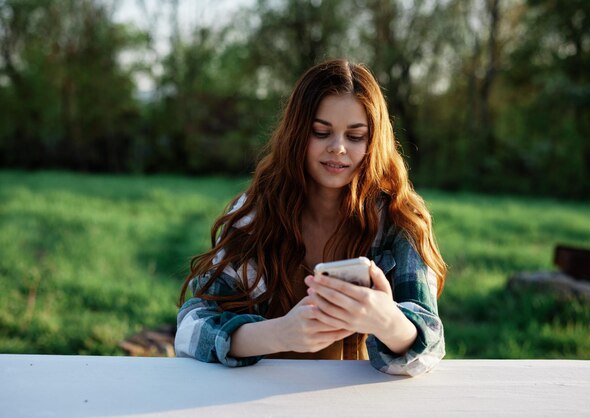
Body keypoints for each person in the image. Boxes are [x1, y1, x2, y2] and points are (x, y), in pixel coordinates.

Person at [175, 59, 447, 376]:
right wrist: (279, 333)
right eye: (321, 132)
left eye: (355, 136)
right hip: (258, 400)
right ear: (297, 133)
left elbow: (431, 345)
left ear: (374, 142)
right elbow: (191, 329)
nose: (338, 148)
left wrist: (386, 320)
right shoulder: (258, 215)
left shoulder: (399, 220)